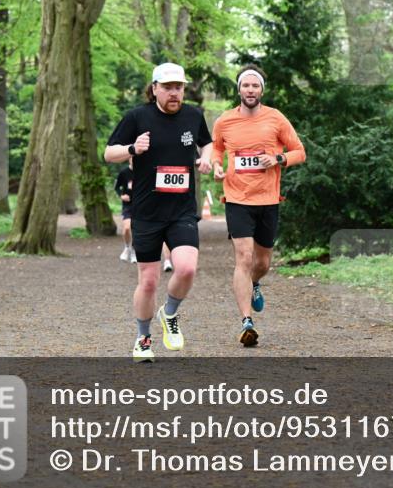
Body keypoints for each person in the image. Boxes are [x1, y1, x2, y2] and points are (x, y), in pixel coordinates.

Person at [104, 62, 213, 362]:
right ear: (154, 89)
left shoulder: (193, 115)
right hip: (147, 212)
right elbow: (108, 152)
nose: (174, 93)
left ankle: (170, 313)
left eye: (178, 87)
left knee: (187, 268)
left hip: (181, 211)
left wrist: (206, 159)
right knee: (149, 281)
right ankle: (143, 338)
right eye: (167, 87)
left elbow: (208, 144)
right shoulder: (137, 117)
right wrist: (131, 148)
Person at [210, 65, 305, 347]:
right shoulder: (225, 121)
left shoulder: (275, 118)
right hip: (237, 199)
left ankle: (255, 283)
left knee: (262, 263)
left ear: (261, 90)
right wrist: (216, 165)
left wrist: (277, 159)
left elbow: (299, 151)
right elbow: (216, 147)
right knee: (243, 257)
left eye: (255, 86)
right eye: (245, 85)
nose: (250, 90)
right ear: (238, 89)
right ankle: (246, 321)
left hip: (268, 199)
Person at [114, 159, 137, 263]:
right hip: (128, 205)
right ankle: (127, 247)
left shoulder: (143, 171)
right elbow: (117, 187)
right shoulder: (124, 173)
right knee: (127, 228)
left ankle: (133, 251)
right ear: (129, 159)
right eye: (133, 158)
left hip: (140, 205)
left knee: (136, 229)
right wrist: (122, 196)